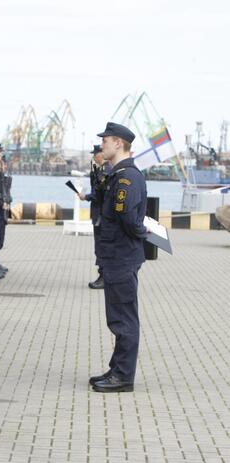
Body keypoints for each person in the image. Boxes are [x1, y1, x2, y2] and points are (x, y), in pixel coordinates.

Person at [89, 122, 148, 393]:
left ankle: (123, 376)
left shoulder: (127, 177)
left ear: (119, 144)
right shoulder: (118, 174)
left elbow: (128, 217)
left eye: (107, 140)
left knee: (123, 318)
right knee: (118, 317)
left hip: (121, 256)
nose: (102, 145)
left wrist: (141, 231)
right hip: (117, 256)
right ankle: (117, 369)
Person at [78, 144, 107, 289]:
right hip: (97, 214)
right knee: (99, 247)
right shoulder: (98, 170)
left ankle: (104, 277)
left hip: (102, 215)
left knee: (102, 247)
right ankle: (103, 275)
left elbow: (99, 195)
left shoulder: (105, 171)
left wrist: (86, 196)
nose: (94, 157)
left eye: (96, 154)